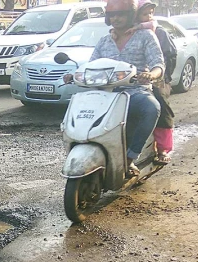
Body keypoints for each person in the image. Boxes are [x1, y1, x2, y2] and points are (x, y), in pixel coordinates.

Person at [65, 0, 164, 177]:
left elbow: (158, 64)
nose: (116, 18)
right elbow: (91, 65)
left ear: (131, 15)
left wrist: (151, 75)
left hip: (135, 91)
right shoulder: (104, 41)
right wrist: (73, 75)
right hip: (104, 94)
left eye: (121, 14)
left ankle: (130, 157)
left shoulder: (146, 36)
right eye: (112, 15)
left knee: (152, 108)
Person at [127, 0, 177, 164]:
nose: (148, 16)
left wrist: (158, 76)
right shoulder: (125, 32)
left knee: (160, 104)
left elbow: (167, 58)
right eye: (144, 13)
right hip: (127, 80)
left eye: (150, 13)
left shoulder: (159, 32)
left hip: (156, 79)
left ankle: (162, 148)